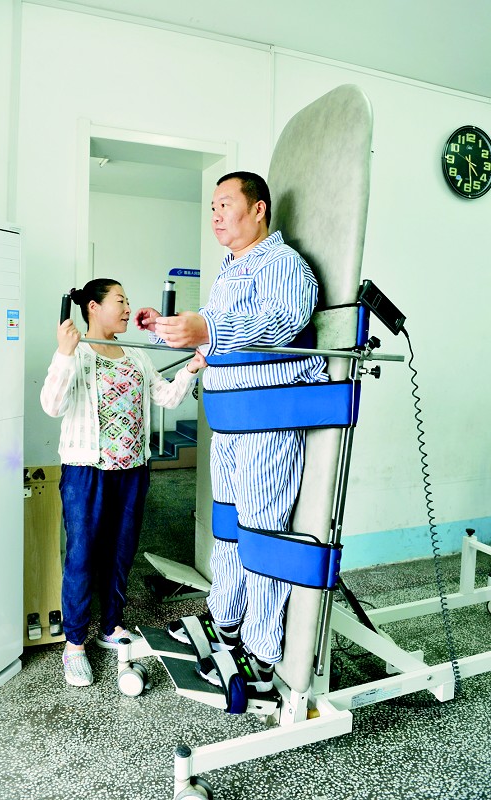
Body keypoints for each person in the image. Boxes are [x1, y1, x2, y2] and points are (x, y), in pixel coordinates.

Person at [135, 172, 328, 695]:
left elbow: (280, 324)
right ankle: (226, 621)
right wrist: (170, 330)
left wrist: (208, 328)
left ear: (258, 209)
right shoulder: (229, 270)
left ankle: (262, 653)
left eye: (225, 204)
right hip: (229, 421)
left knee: (261, 532)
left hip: (267, 421)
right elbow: (214, 338)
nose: (216, 215)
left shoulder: (283, 264)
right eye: (213, 207)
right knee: (227, 526)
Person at [41, 278, 205, 687]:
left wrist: (191, 368)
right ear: (94, 308)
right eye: (120, 301)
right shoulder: (76, 352)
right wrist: (63, 353)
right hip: (86, 471)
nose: (128, 308)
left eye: (128, 300)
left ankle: (111, 625)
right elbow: (52, 405)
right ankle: (74, 644)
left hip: (132, 471)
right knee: (82, 556)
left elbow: (166, 398)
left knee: (120, 552)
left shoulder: (136, 354)